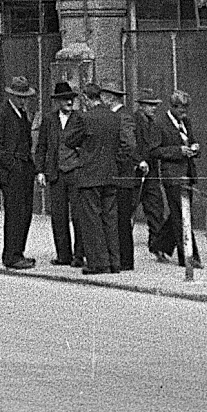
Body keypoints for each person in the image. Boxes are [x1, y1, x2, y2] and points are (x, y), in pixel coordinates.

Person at [62, 82, 129, 274]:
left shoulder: (84, 118)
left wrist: (84, 148)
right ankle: (114, 262)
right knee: (110, 219)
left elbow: (69, 140)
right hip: (111, 174)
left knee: (91, 220)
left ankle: (98, 263)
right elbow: (122, 144)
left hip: (90, 175)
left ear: (85, 98)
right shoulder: (114, 117)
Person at [145, 90, 204, 266]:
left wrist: (195, 148)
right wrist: (178, 151)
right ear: (172, 107)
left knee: (179, 213)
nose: (184, 113)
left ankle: (159, 244)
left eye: (186, 109)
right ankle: (189, 257)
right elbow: (153, 151)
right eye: (181, 109)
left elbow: (192, 140)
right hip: (172, 176)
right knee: (181, 216)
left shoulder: (186, 121)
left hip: (188, 174)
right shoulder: (159, 124)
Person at [0, 75, 38, 270]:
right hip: (10, 173)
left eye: (25, 97)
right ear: (12, 96)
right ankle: (11, 255)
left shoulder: (22, 114)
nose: (23, 100)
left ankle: (19, 252)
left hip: (24, 170)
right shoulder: (1, 114)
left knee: (25, 213)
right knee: (15, 214)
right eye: (20, 97)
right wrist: (13, 165)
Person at [34, 81, 81, 267]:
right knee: (59, 216)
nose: (69, 102)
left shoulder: (80, 119)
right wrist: (40, 171)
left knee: (78, 215)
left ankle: (79, 255)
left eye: (71, 98)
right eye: (65, 99)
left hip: (75, 172)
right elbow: (42, 147)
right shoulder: (49, 119)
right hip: (56, 174)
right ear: (57, 101)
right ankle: (63, 255)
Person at [100, 81, 140, 271]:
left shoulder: (123, 116)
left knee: (122, 219)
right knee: (115, 218)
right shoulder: (116, 116)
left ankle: (125, 260)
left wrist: (115, 162)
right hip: (116, 175)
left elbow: (129, 146)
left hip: (122, 176)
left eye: (104, 96)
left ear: (110, 97)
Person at [133, 88, 169, 262]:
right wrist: (139, 161)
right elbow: (130, 146)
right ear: (141, 106)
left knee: (156, 208)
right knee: (128, 211)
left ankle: (157, 246)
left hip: (152, 172)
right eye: (150, 105)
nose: (154, 108)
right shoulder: (133, 121)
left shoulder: (155, 123)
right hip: (135, 172)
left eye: (155, 105)